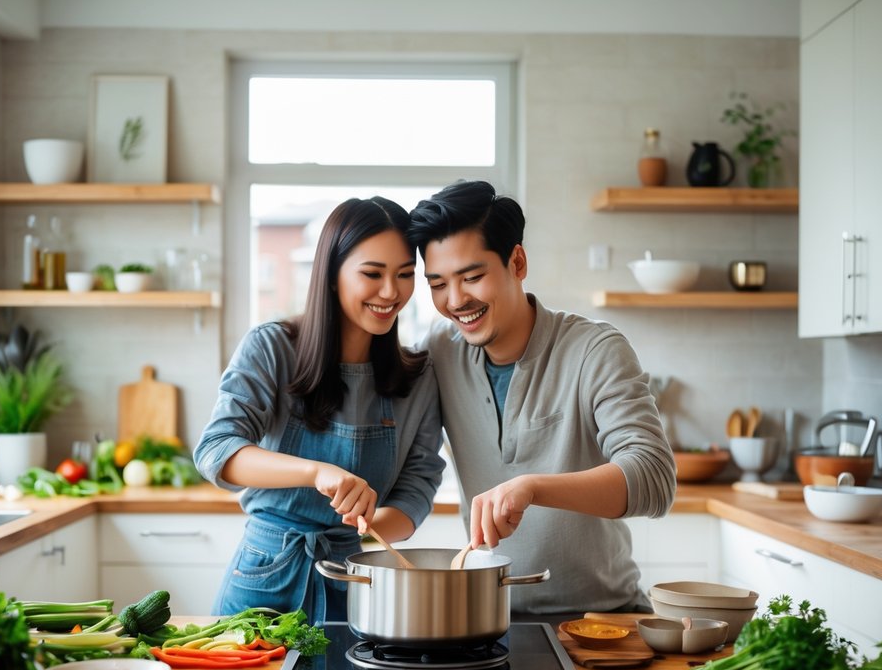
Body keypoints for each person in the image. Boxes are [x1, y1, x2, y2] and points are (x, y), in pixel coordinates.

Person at [407, 180, 675, 619]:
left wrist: (532, 488)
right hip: (488, 616)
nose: (456, 301)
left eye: (472, 277)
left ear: (517, 261)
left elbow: (654, 479)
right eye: (438, 284)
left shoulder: (595, 349)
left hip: (602, 618)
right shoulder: (439, 352)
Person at [194, 196, 444, 624]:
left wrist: (369, 523)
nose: (391, 292)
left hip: (352, 577)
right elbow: (217, 450)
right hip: (263, 574)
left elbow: (417, 486)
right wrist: (316, 472)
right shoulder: (271, 346)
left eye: (405, 275)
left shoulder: (418, 377)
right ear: (331, 276)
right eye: (372, 273)